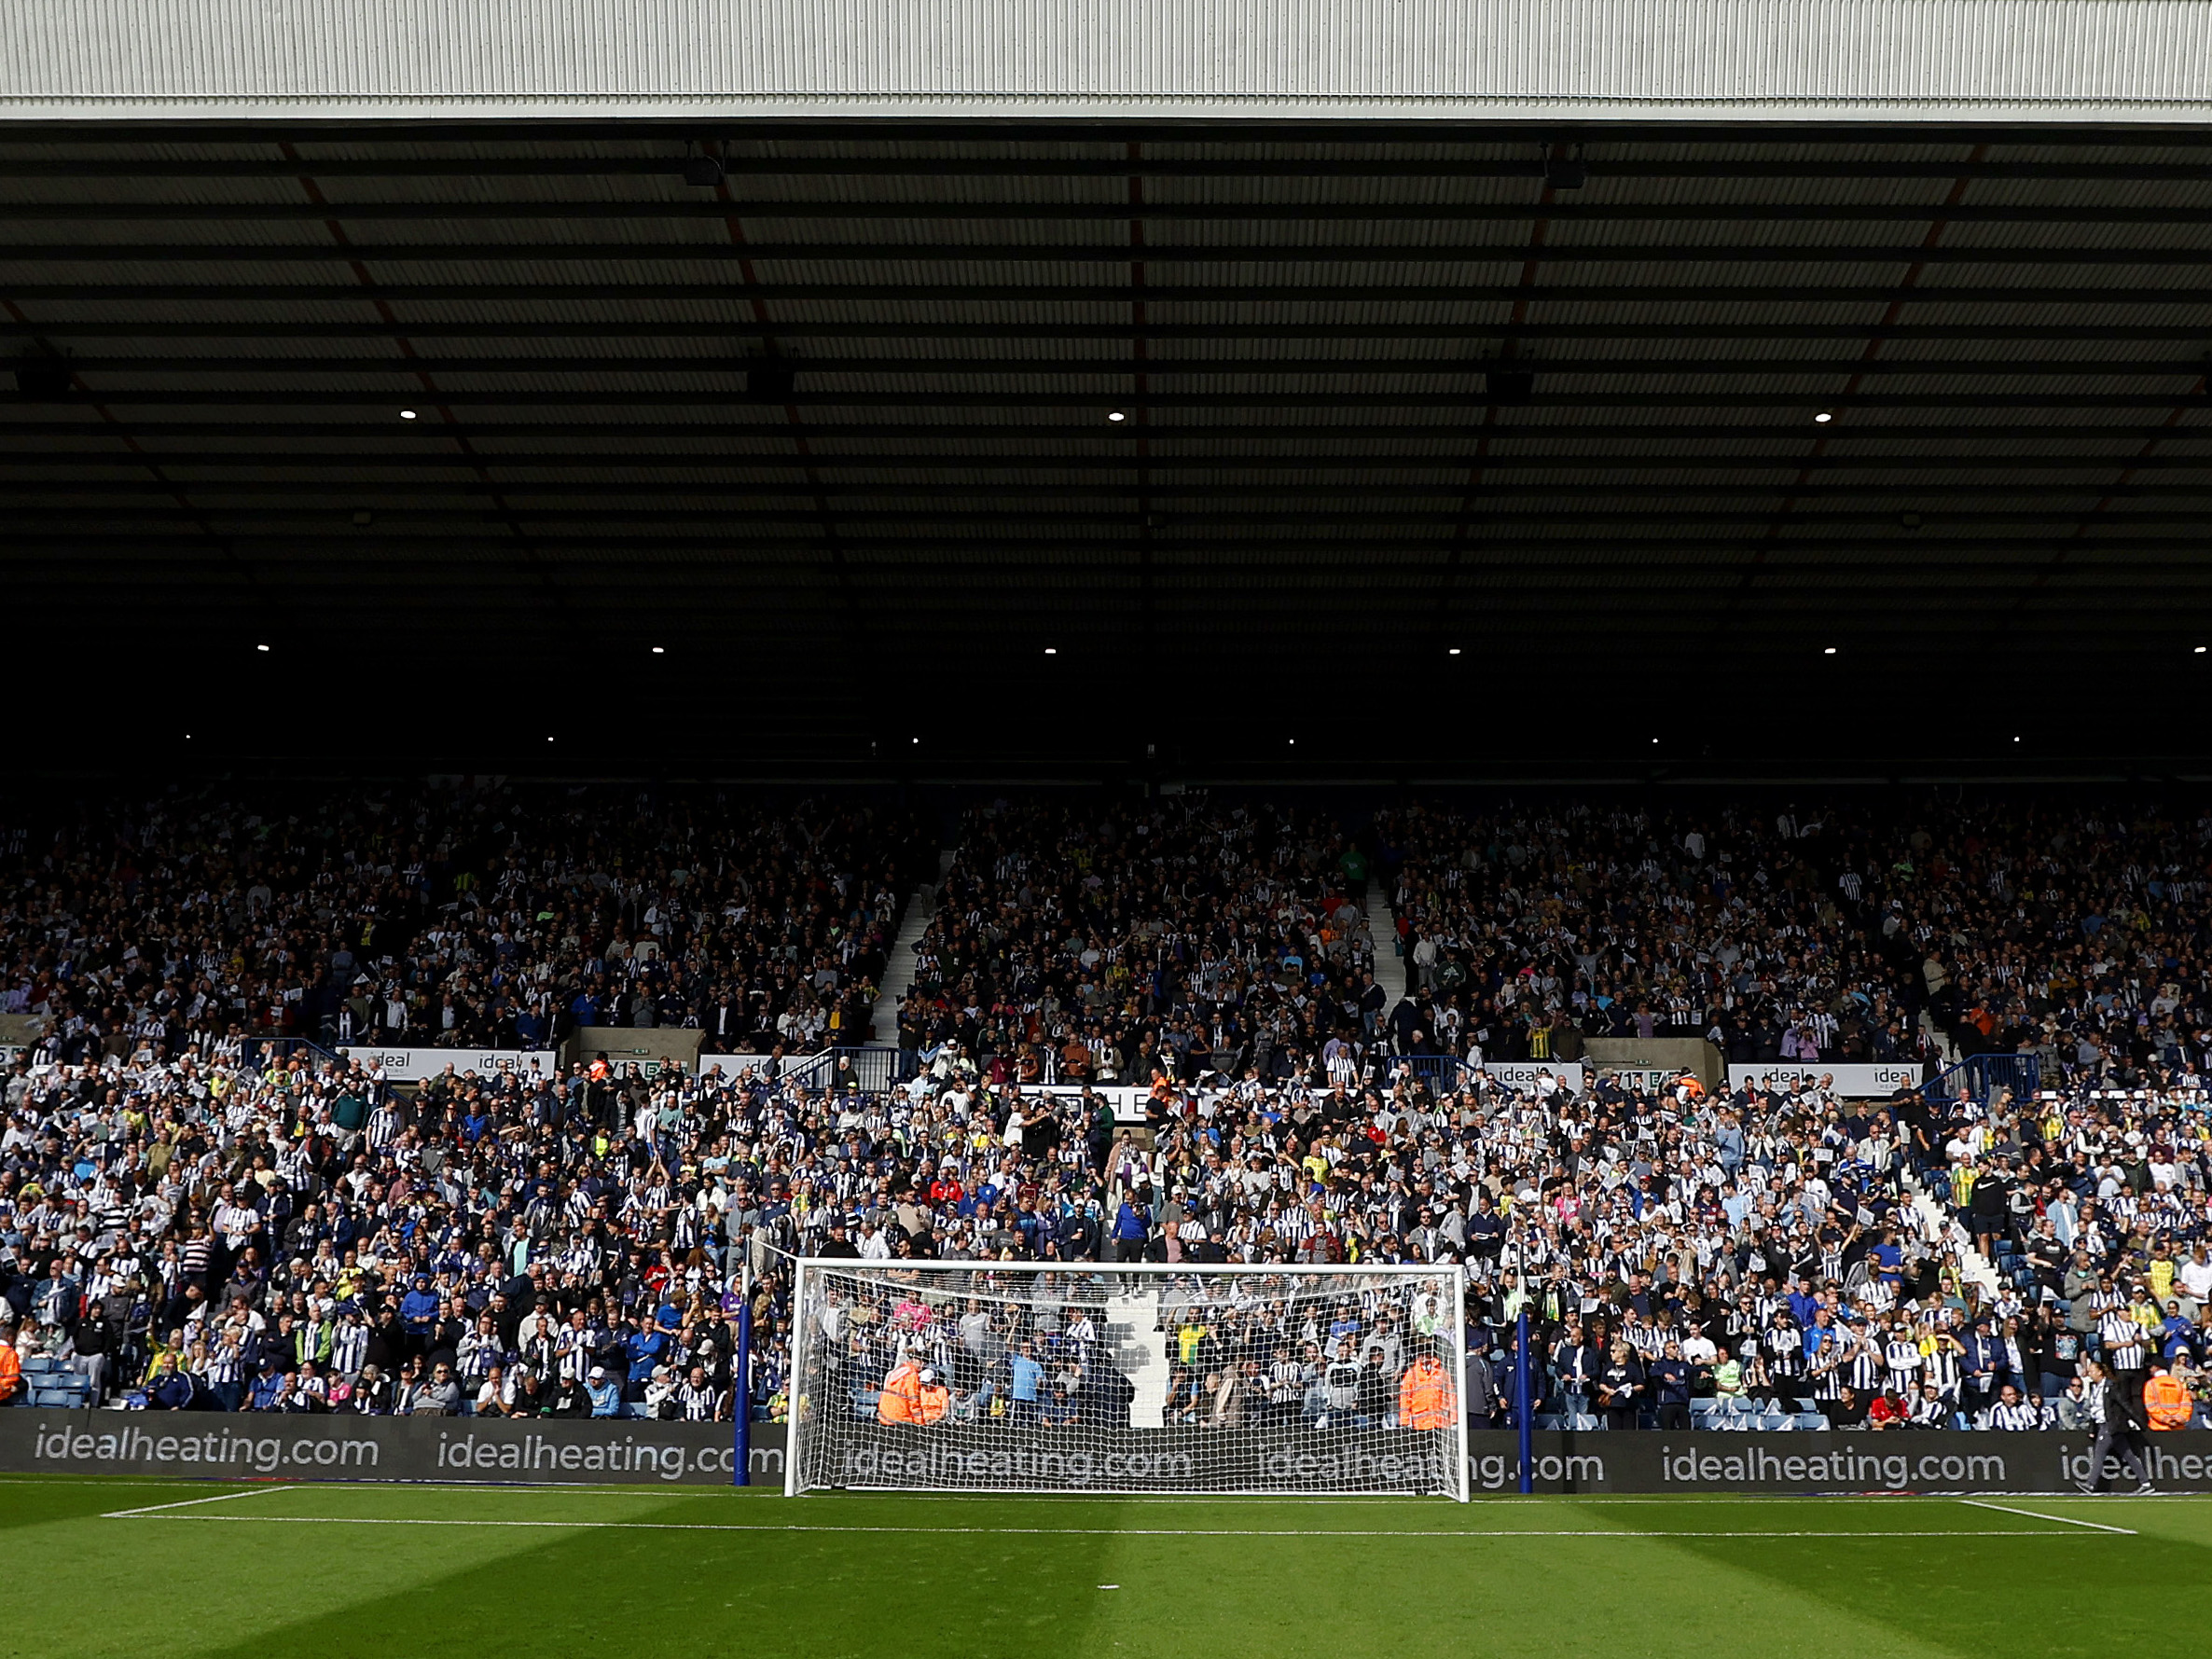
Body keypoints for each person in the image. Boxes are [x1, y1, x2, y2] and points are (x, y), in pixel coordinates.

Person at [2078, 1358, 2155, 1495]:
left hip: (2110, 1425)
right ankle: (2146, 1483)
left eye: (2092, 1371)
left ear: (2100, 1372)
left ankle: (2090, 1484)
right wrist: (2091, 1428)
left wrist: (2139, 1421)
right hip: (2102, 1424)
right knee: (2129, 1455)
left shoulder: (2111, 1386)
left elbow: (2124, 1404)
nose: (2090, 1374)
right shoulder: (2094, 1388)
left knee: (2099, 1453)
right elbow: (2094, 1410)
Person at [1396, 1342, 1457, 1430]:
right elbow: (1405, 1398)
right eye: (1421, 1354)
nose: (1423, 1357)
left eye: (1426, 1354)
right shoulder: (1412, 1374)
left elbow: (1452, 1395)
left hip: (1440, 1422)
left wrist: (1454, 1419)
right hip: (1420, 1423)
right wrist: (1405, 1421)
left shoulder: (1442, 1373)